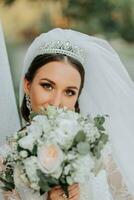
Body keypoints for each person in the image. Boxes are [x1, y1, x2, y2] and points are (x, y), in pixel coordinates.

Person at [1, 28, 134, 200]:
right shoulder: (7, 162)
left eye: (69, 92)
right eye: (47, 86)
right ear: (28, 85)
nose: (56, 103)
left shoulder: (97, 150)